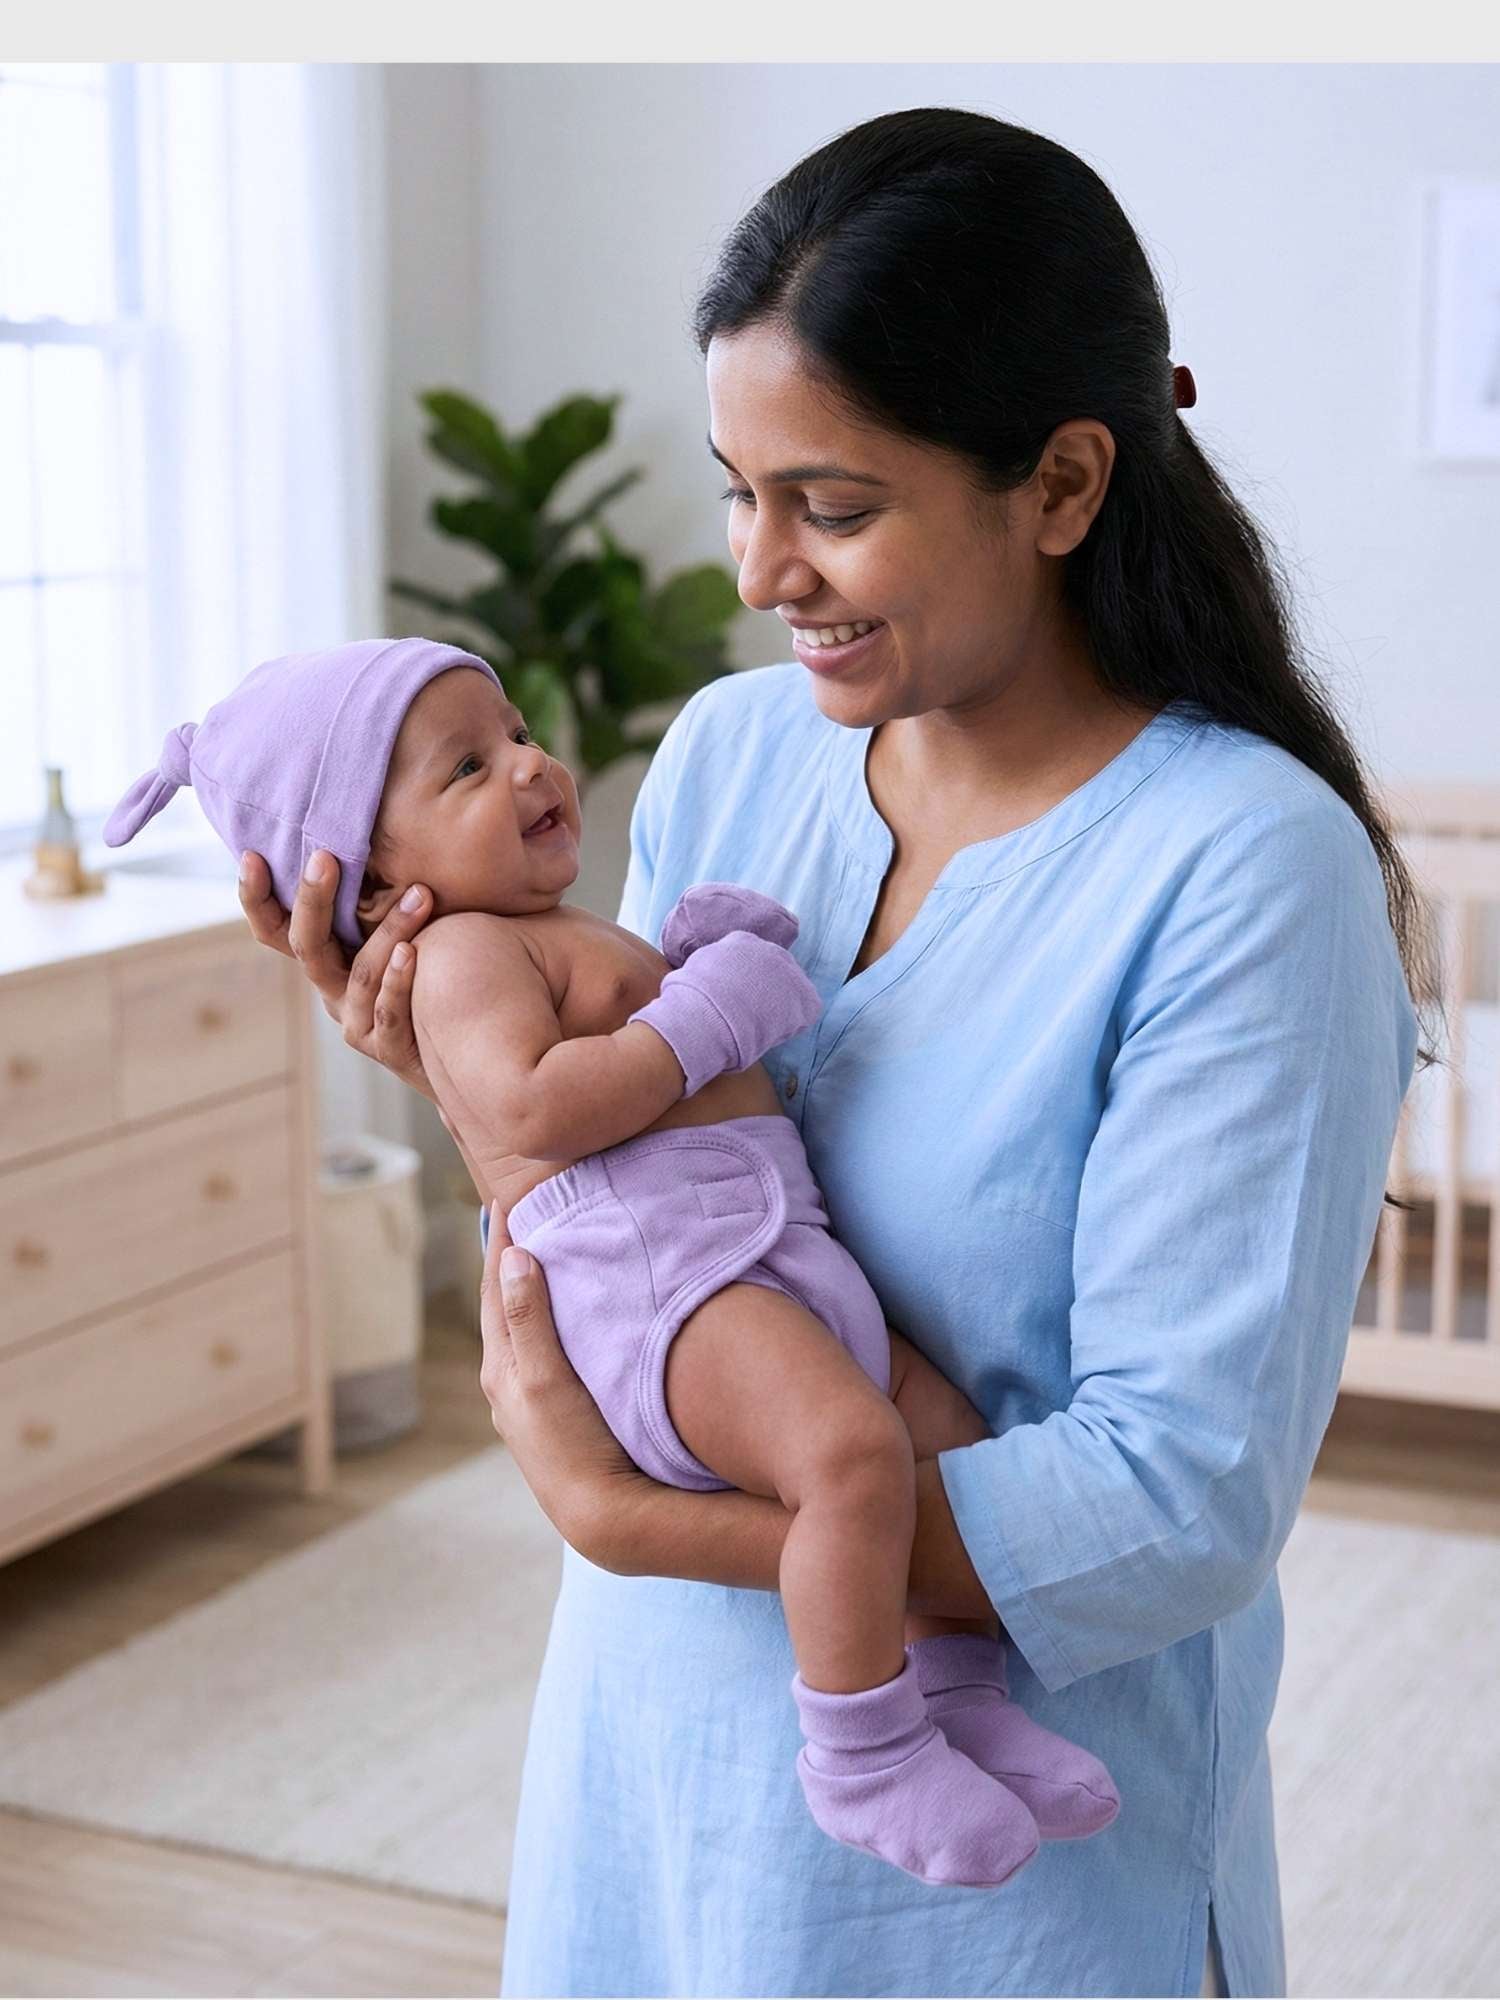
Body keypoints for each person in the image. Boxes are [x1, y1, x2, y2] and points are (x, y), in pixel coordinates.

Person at [238, 107, 1431, 1997]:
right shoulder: (730, 753)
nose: (757, 570)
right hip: (665, 1788)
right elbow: (648, 1202)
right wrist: (471, 1081)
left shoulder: (1244, 870)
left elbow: (1176, 1501)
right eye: (738, 489)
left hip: (1014, 1887)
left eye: (835, 505)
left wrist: (629, 1514)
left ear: (1060, 481)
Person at [105, 634, 1120, 1888]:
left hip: (757, 1257)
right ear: (372, 886)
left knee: (948, 1434)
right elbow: (530, 1110)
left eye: (519, 730)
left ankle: (958, 1692)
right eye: (467, 767)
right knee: (854, 1458)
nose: (531, 764)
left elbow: (609, 1030)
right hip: (675, 1291)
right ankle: (862, 1749)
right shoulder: (466, 954)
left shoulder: (539, 928)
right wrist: (711, 1009)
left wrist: (693, 955)